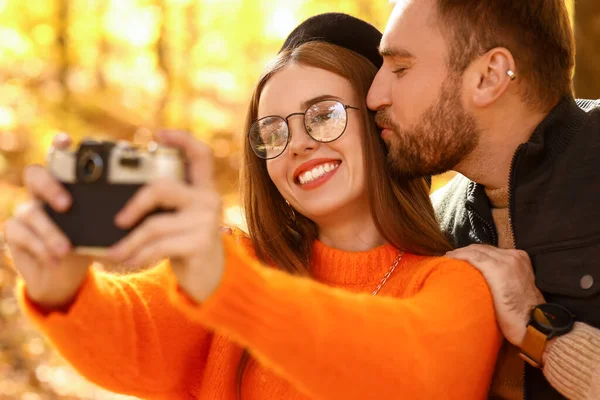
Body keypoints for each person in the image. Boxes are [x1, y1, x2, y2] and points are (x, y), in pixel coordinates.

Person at [6, 13, 501, 400]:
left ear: (380, 126)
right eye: (274, 131)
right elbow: (131, 337)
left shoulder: (456, 286)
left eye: (323, 114)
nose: (299, 144)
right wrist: (64, 288)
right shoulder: (234, 261)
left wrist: (228, 289)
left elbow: (403, 374)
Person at [366, 1, 600, 399]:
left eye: (401, 68)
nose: (374, 96)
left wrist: (539, 328)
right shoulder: (434, 226)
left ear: (489, 77)